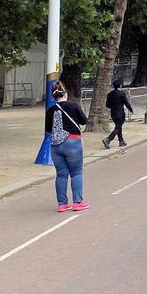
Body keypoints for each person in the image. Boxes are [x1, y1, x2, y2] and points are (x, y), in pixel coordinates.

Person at [44, 84, 88, 212]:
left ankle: (62, 204)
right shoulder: (73, 106)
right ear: (65, 94)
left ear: (54, 96)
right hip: (72, 142)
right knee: (76, 172)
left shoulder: (50, 110)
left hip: (56, 145)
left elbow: (48, 129)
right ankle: (77, 202)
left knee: (61, 175)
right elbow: (84, 121)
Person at [102, 79, 134, 149]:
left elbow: (107, 105)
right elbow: (126, 103)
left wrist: (113, 107)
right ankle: (108, 139)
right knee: (118, 127)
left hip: (113, 113)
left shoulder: (109, 94)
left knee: (118, 126)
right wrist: (131, 109)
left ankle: (121, 141)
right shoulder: (121, 94)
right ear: (120, 86)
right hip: (120, 113)